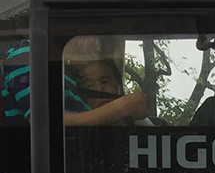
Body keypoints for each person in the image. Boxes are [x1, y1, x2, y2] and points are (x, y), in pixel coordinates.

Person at [2, 38, 148, 125]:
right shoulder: (30, 54)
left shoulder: (66, 74)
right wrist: (124, 107)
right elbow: (42, 121)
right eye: (95, 38)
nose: (97, 46)